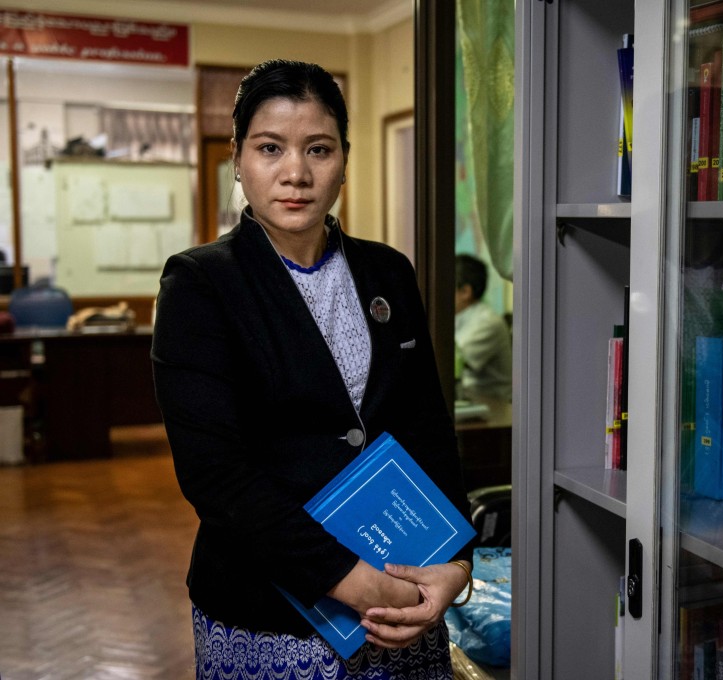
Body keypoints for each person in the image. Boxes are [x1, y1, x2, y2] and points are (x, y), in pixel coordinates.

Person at [151, 59, 474, 680]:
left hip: (406, 605)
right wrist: (355, 584)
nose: (296, 173)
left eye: (318, 149)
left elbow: (428, 428)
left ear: (344, 158)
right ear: (238, 157)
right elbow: (216, 475)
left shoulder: (389, 273)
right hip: (271, 613)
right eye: (270, 148)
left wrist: (454, 565)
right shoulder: (201, 284)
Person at [454, 254, 512, 402]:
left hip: (496, 407)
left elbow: (453, 360)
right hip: (469, 399)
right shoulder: (459, 316)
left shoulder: (487, 322)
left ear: (465, 292)